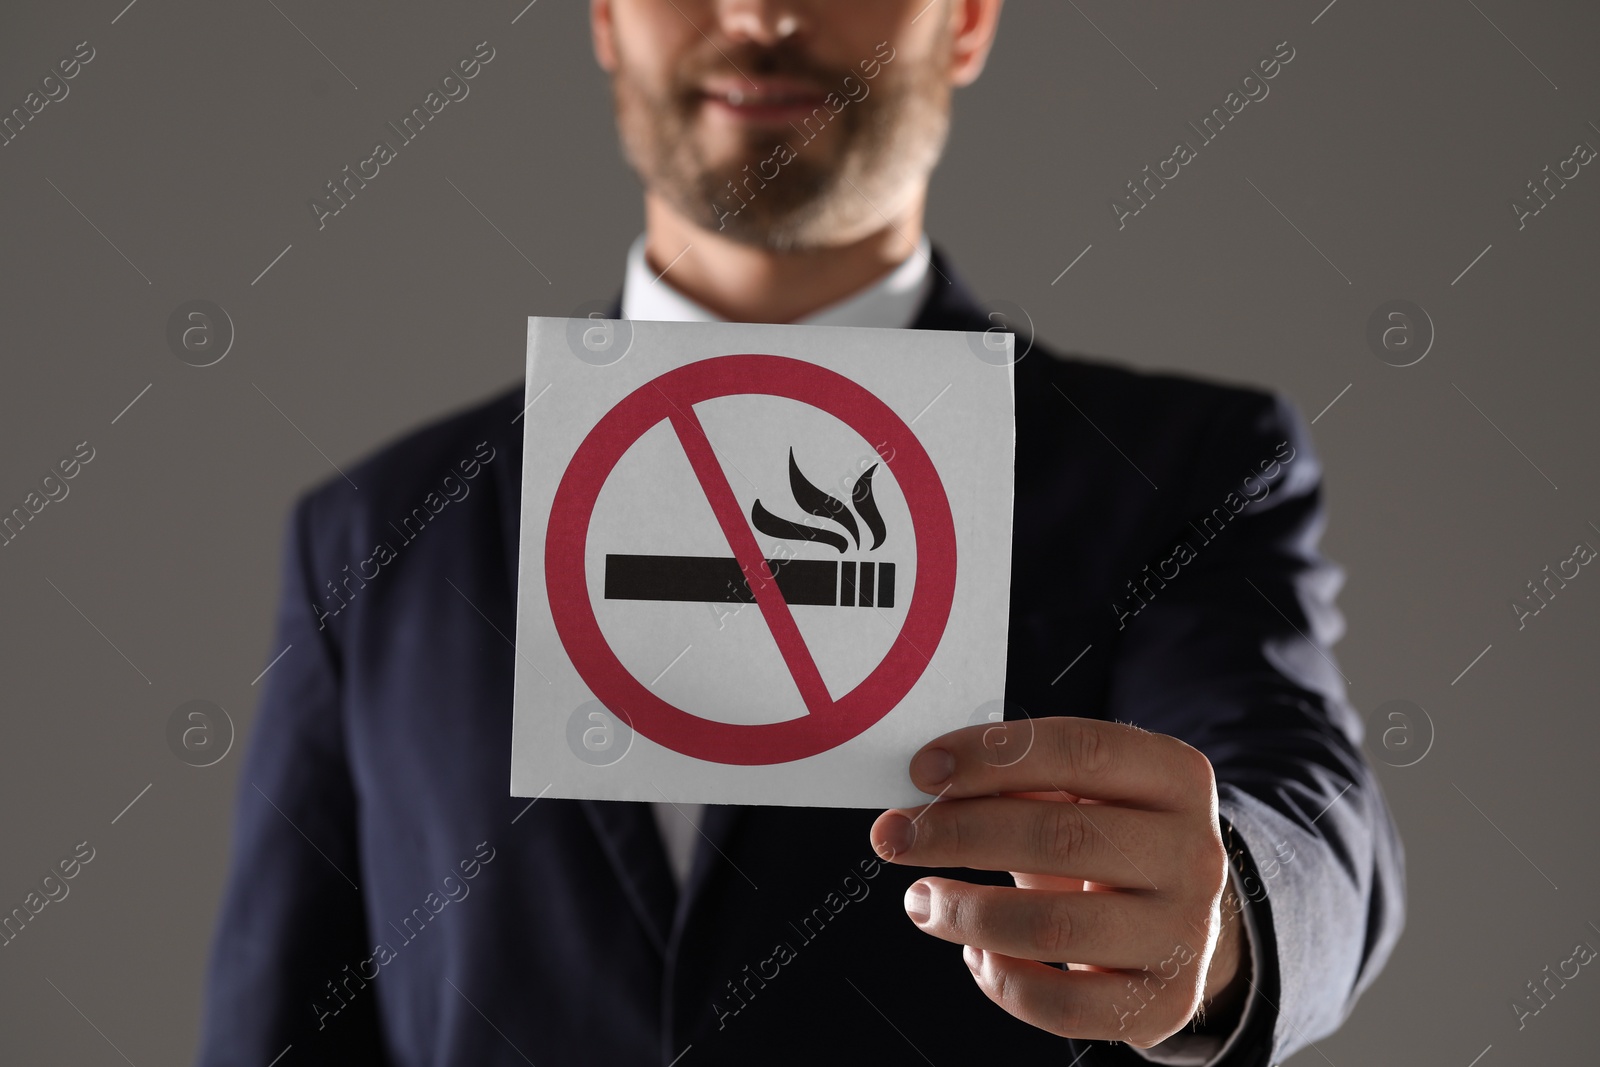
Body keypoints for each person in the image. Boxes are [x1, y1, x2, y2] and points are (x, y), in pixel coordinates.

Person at [197, 2, 1404, 1064]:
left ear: (967, 20)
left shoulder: (1178, 469)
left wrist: (1228, 915)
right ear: (605, 18)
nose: (761, 9)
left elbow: (1303, 806)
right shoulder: (377, 529)